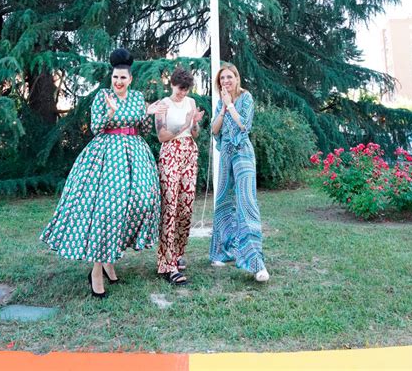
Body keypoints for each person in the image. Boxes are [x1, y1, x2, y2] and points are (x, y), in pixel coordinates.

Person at [40, 48, 166, 298]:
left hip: (135, 154)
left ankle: (110, 256)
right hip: (107, 155)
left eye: (123, 78)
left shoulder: (138, 97)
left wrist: (148, 113)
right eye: (115, 78)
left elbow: (141, 128)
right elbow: (96, 127)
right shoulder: (102, 97)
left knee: (143, 201)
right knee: (109, 208)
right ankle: (97, 270)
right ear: (112, 78)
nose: (119, 82)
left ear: (131, 80)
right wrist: (110, 112)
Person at [209, 63, 269, 282]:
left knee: (246, 202)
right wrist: (223, 109)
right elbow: (214, 129)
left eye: (229, 77)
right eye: (222, 78)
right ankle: (222, 252)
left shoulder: (246, 98)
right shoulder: (220, 102)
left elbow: (244, 125)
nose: (226, 81)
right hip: (225, 152)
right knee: (224, 200)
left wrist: (231, 106)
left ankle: (255, 262)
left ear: (237, 78)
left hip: (243, 153)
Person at [155, 67, 204, 285]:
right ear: (172, 84)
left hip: (189, 153)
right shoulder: (163, 105)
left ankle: (177, 252)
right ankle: (167, 264)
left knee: (185, 206)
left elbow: (195, 134)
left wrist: (194, 124)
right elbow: (161, 136)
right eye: (179, 88)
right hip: (170, 154)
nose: (182, 93)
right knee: (170, 207)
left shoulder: (191, 103)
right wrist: (183, 125)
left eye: (186, 89)